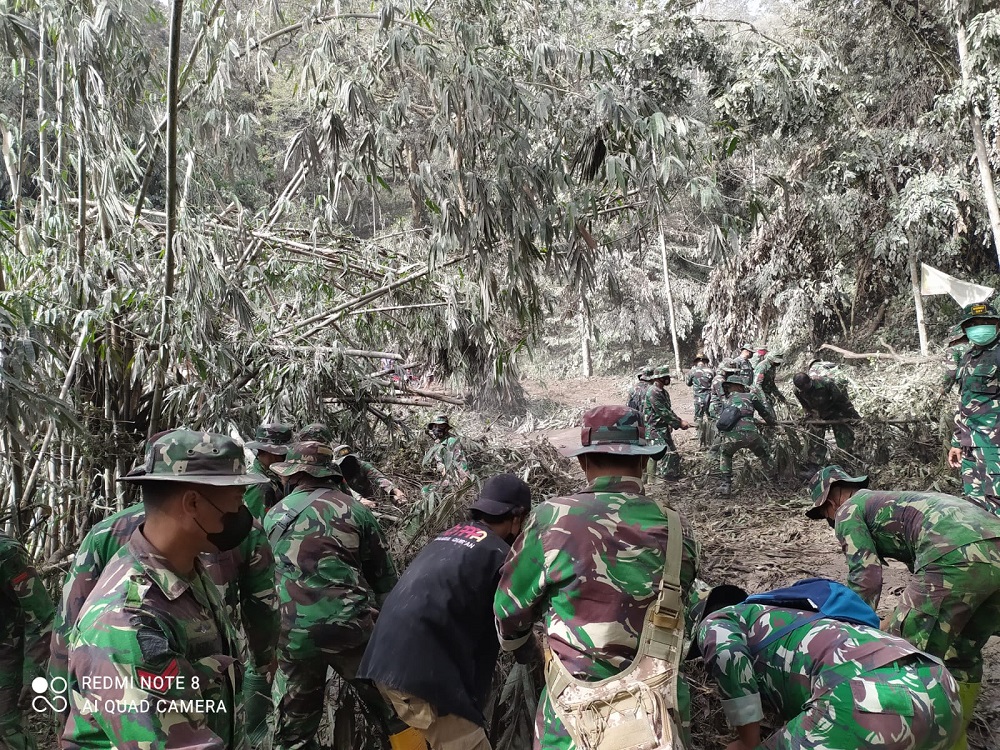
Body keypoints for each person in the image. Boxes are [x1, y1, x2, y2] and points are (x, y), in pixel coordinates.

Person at [495, 405, 701, 750]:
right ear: (643, 462)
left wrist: (519, 647)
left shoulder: (550, 519)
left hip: (571, 718)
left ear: (584, 462)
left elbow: (508, 611)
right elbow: (685, 610)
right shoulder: (678, 530)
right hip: (656, 718)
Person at [62, 429, 268, 749]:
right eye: (238, 498)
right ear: (194, 503)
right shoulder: (129, 623)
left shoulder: (185, 572)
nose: (243, 514)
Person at [804, 465, 1000, 749]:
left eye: (825, 517)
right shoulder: (890, 501)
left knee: (902, 658)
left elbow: (865, 577)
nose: (830, 522)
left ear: (830, 501)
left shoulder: (848, 510)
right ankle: (957, 738)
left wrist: (854, 629)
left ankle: (917, 739)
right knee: (963, 651)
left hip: (952, 554)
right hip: (992, 543)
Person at [359, 474, 533, 750]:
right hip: (422, 677)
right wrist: (535, 656)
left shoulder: (449, 536)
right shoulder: (499, 556)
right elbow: (513, 625)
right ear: (518, 518)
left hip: (386, 661)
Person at [690, 584, 961, 750]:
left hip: (872, 699)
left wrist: (748, 741)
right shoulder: (791, 613)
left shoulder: (718, 619)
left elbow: (726, 653)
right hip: (941, 687)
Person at [264, 441, 399, 750]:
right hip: (350, 630)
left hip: (293, 635)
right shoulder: (356, 511)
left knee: (291, 733)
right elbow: (383, 582)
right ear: (331, 475)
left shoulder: (273, 516)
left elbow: (263, 581)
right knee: (397, 712)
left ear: (293, 476)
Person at [0, 532, 53, 750]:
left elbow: (42, 617)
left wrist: (33, 674)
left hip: (5, 661)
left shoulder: (6, 553)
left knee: (6, 734)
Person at [947, 301, 1000, 516]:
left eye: (986, 321)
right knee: (975, 506)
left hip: (995, 446)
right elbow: (965, 402)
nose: (981, 326)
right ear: (966, 328)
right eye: (974, 323)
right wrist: (957, 441)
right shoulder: (968, 357)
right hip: (971, 446)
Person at [717, 375, 776, 496]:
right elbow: (765, 413)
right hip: (751, 435)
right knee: (764, 454)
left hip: (732, 437)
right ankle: (775, 481)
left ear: (730, 387)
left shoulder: (726, 401)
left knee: (725, 454)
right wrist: (772, 423)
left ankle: (725, 485)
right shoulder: (751, 396)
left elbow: (723, 420)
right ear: (740, 387)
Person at [793, 371, 860, 464]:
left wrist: (854, 416)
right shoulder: (798, 391)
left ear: (810, 382)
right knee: (815, 437)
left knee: (844, 436)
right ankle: (816, 464)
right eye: (802, 389)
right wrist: (810, 414)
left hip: (835, 410)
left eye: (806, 388)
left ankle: (848, 460)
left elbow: (842, 401)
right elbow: (804, 405)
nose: (804, 391)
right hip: (817, 412)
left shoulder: (827, 383)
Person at [641, 365, 692, 481]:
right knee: (666, 454)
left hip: (663, 428)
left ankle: (672, 477)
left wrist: (676, 422)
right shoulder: (653, 392)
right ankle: (663, 481)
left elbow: (668, 410)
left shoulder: (663, 392)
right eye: (665, 377)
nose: (668, 378)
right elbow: (663, 412)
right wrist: (679, 423)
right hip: (653, 429)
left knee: (673, 454)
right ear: (658, 378)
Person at [243, 422, 293, 521]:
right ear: (271, 453)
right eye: (284, 454)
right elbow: (259, 531)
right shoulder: (260, 486)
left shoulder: (271, 475)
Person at [334, 444, 407, 505]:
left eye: (350, 459)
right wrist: (359, 499)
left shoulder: (361, 466)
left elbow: (378, 478)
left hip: (368, 498)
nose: (348, 463)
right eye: (344, 462)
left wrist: (394, 490)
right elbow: (344, 488)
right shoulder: (335, 473)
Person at [422, 414, 473, 485]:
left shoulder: (452, 442)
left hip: (456, 481)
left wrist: (464, 481)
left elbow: (460, 462)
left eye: (441, 426)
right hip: (446, 478)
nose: (437, 428)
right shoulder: (438, 443)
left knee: (426, 491)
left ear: (446, 428)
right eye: (435, 426)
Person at [684, 354, 714, 423]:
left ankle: (700, 433)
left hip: (699, 399)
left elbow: (688, 383)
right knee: (711, 418)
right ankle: (712, 433)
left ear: (696, 362)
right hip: (709, 398)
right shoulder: (711, 371)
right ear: (705, 361)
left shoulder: (692, 371)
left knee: (698, 418)